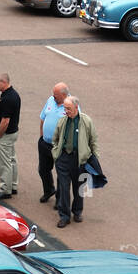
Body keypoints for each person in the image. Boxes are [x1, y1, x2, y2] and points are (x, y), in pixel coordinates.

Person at [52, 96, 97, 228]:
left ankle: (77, 212)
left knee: (79, 188)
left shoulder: (86, 121)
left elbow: (93, 141)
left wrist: (94, 159)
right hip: (64, 158)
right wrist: (56, 154)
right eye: (65, 108)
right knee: (64, 188)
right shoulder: (62, 121)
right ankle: (64, 216)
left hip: (80, 160)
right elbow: (55, 138)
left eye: (68, 108)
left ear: (76, 107)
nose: (66, 111)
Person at [0, 73, 21, 200]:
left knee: (4, 163)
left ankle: (5, 190)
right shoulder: (12, 94)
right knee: (11, 160)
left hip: (6, 135)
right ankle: (13, 185)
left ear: (4, 82)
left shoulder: (8, 98)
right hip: (12, 133)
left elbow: (5, 120)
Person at [37, 82, 68, 204]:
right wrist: (41, 136)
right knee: (43, 169)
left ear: (64, 95)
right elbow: (43, 117)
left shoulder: (70, 105)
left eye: (56, 95)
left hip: (60, 147)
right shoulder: (50, 100)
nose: (53, 96)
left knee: (61, 174)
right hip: (45, 143)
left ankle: (59, 199)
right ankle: (49, 190)